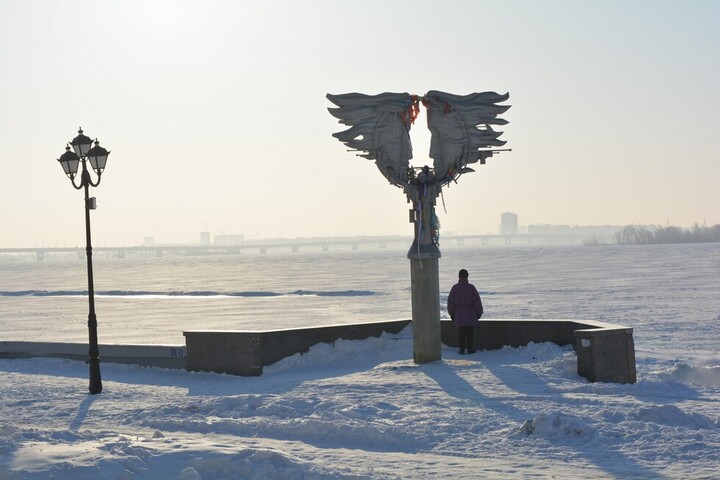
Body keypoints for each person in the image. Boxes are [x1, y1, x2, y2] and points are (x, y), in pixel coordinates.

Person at [447, 269, 484, 355]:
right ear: (467, 276)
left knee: (461, 332)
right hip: (470, 313)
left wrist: (451, 313)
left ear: (459, 276)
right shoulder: (471, 288)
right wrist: (479, 312)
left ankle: (462, 349)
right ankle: (470, 349)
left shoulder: (455, 288)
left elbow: (451, 302)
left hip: (459, 313)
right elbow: (476, 301)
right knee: (470, 332)